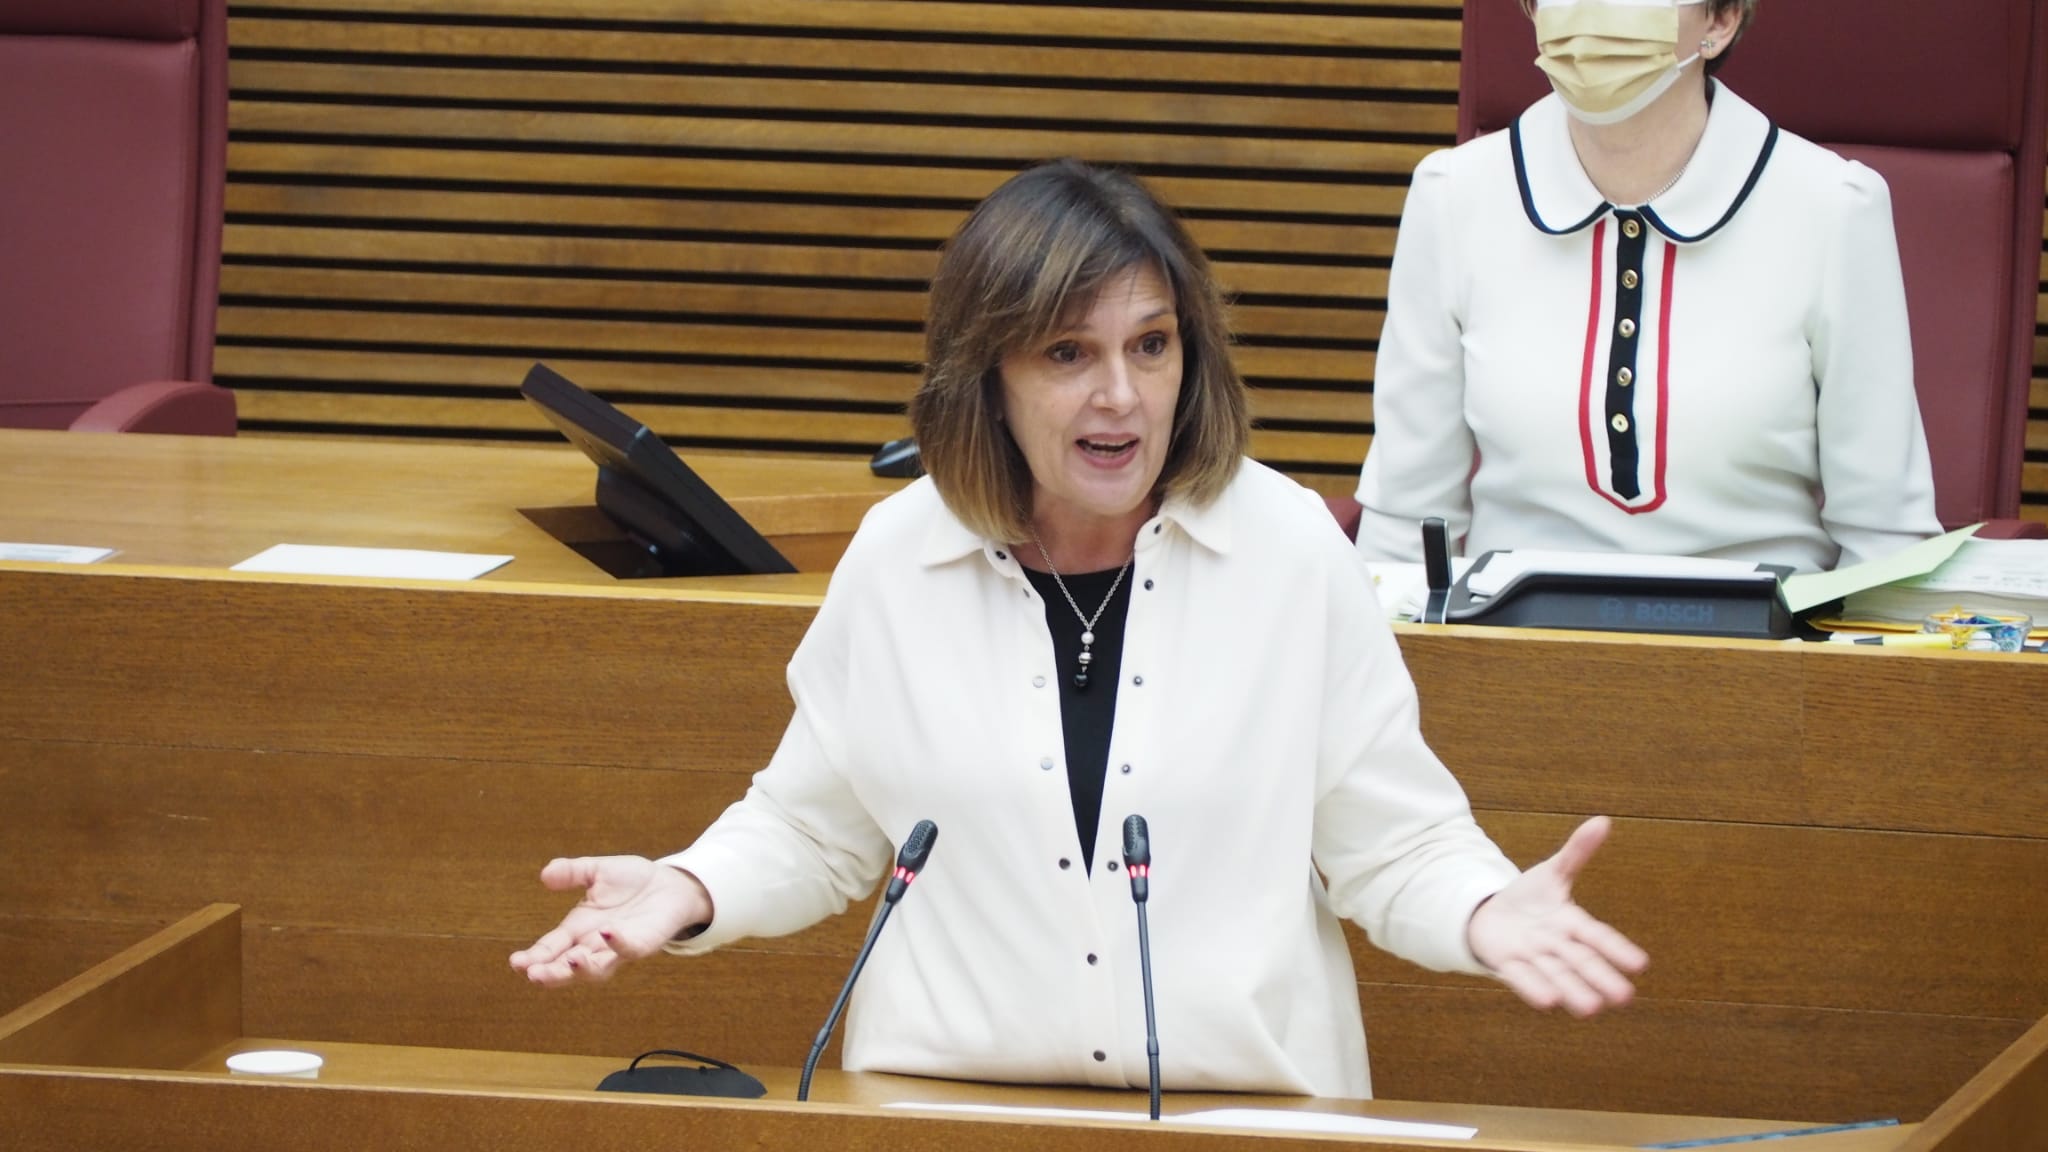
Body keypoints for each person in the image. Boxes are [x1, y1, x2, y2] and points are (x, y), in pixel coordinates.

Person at [511, 158, 1647, 1100]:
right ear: (986, 377)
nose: (1120, 395)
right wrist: (685, 886)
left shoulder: (1290, 550)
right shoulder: (899, 555)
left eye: (1149, 346)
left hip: (1237, 1112)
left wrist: (1487, 909)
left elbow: (1390, 844)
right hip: (943, 1109)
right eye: (1068, 354)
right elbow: (817, 829)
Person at [1355, 0, 1941, 573]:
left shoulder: (1835, 208)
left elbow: (1884, 542)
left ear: (1720, 18)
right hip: (1511, 648)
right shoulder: (1453, 195)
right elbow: (1405, 530)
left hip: (1768, 651)